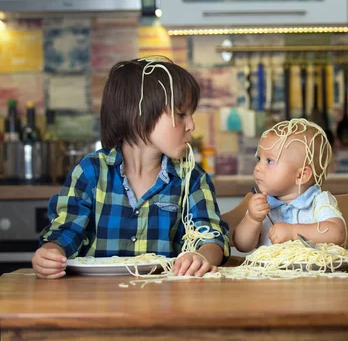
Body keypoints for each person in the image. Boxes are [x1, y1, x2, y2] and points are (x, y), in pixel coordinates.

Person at [32, 58, 229, 279]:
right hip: (93, 297)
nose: (191, 125)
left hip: (166, 298)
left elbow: (211, 238)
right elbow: (66, 232)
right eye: (181, 114)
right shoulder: (91, 171)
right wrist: (51, 253)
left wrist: (202, 257)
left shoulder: (191, 178)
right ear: (139, 117)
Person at [232, 118, 345, 252]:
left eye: (269, 161)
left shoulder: (319, 201)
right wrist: (252, 219)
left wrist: (293, 232)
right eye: (259, 159)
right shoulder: (262, 204)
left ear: (301, 175)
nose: (258, 167)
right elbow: (242, 246)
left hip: (313, 272)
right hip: (269, 272)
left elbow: (337, 233)